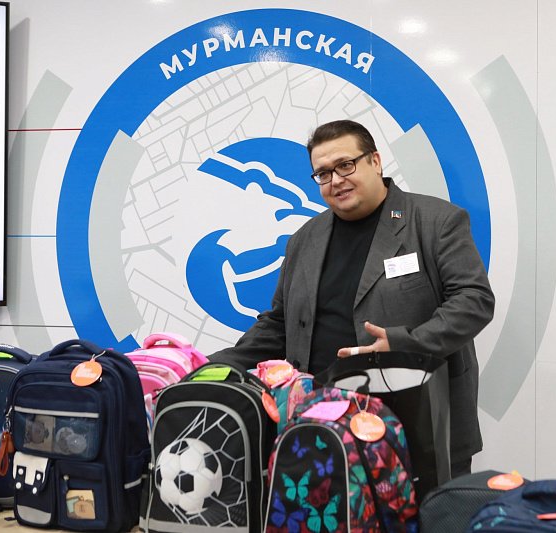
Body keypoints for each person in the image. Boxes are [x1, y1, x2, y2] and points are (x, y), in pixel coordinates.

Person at [209, 119, 495, 477]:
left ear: (375, 161)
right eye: (323, 173)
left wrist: (404, 343)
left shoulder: (436, 221)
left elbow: (473, 300)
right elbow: (279, 324)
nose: (335, 180)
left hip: (418, 427)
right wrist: (211, 365)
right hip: (320, 428)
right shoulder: (304, 239)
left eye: (345, 165)